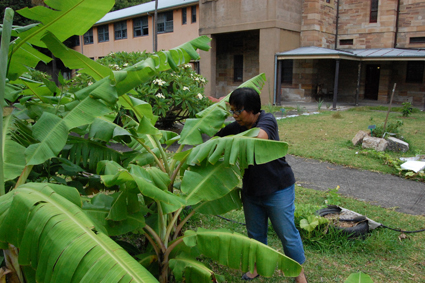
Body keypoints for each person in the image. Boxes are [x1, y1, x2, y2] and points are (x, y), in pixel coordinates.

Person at [215, 87, 308, 283]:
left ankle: (299, 274)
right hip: (251, 190)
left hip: (278, 188)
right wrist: (214, 112)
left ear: (252, 109)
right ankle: (256, 267)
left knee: (287, 233)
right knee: (255, 234)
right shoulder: (238, 125)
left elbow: (260, 138)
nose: (234, 116)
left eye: (238, 111)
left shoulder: (267, 120)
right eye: (232, 111)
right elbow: (214, 138)